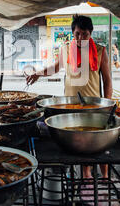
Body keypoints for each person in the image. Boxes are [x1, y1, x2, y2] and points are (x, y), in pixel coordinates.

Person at [26, 15, 113, 180]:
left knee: (100, 143)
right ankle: (86, 176)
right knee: (81, 141)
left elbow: (107, 80)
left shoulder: (101, 51)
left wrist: (107, 105)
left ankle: (105, 177)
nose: (80, 38)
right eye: (77, 34)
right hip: (71, 106)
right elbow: (55, 67)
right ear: (73, 33)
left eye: (84, 34)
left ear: (91, 33)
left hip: (96, 106)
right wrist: (38, 73)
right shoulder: (65, 48)